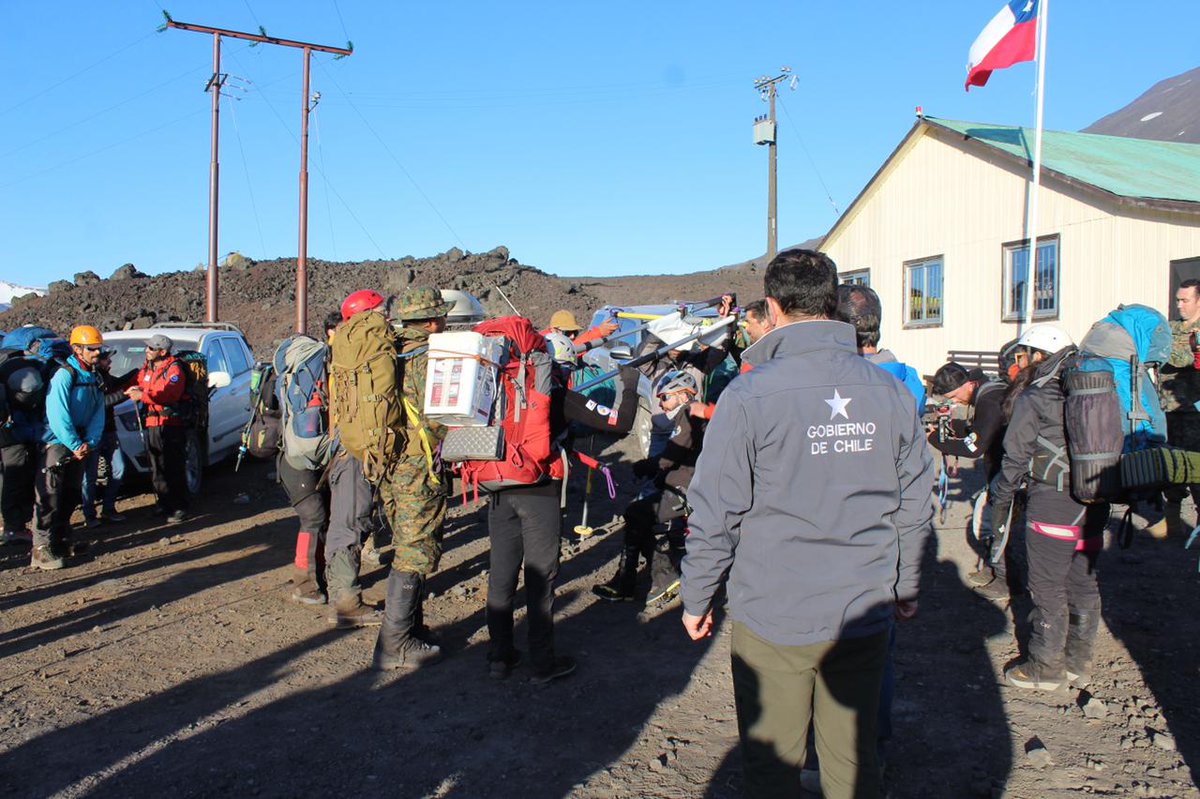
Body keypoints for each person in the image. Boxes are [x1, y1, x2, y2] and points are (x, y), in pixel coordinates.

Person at [680, 249, 935, 799]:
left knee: (773, 766)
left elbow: (715, 509)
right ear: (834, 302)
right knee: (854, 762)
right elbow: (915, 503)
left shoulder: (747, 394)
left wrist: (697, 595)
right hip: (863, 607)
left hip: (774, 611)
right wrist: (907, 585)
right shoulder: (890, 392)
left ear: (772, 307)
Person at [988, 324, 1107, 692]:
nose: (1021, 362)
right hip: (1096, 496)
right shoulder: (1091, 389)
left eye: (1024, 354)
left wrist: (1001, 498)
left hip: (1053, 502)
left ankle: (1045, 665)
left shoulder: (1036, 396)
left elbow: (1015, 457)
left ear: (1038, 355)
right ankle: (1078, 662)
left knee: (1047, 584)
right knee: (1083, 580)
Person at [372, 287, 452, 670]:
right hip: (416, 466)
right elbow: (439, 415)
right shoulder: (428, 356)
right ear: (433, 320)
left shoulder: (388, 352)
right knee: (413, 549)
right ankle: (394, 645)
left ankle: (411, 630)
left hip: (389, 463)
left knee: (408, 541)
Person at [593, 370, 702, 606]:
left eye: (665, 397)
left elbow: (672, 454)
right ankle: (631, 581)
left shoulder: (691, 414)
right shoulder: (686, 415)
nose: (661, 404)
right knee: (637, 516)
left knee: (637, 514)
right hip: (680, 486)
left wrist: (647, 466)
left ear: (683, 395)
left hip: (687, 490)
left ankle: (648, 578)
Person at [927, 362, 1012, 600]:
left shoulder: (989, 399)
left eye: (954, 396)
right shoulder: (986, 390)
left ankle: (1006, 581)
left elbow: (974, 447)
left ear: (967, 384)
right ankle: (996, 570)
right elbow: (981, 429)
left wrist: (936, 440)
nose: (955, 403)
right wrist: (952, 427)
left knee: (1000, 525)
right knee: (993, 521)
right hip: (1001, 469)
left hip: (1008, 473)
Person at [31, 325, 106, 570]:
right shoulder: (65, 375)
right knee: (49, 494)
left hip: (80, 444)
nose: (97, 353)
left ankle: (61, 539)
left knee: (71, 492)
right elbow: (57, 414)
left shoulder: (93, 376)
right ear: (77, 349)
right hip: (58, 443)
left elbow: (98, 411)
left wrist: (90, 442)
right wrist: (74, 444)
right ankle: (41, 548)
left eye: (98, 348)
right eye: (92, 349)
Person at [125, 333, 192, 524]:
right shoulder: (147, 368)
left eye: (152, 348)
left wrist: (142, 396)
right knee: (156, 465)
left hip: (172, 425)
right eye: (147, 347)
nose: (147, 350)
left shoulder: (174, 370)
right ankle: (163, 503)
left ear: (162, 351)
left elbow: (169, 394)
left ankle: (179, 507)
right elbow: (135, 384)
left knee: (174, 466)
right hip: (152, 424)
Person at [1155, 278, 1200, 538]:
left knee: (1196, 469)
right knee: (1171, 467)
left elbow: (1183, 358)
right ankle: (1170, 523)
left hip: (1194, 413)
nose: (1179, 305)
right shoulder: (1169, 328)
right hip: (1168, 411)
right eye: (1177, 300)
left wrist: (1161, 349)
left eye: (1185, 300)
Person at [80, 348, 135, 526]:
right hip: (94, 433)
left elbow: (117, 384)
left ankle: (108, 509)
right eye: (106, 360)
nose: (109, 363)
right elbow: (101, 403)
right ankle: (89, 514)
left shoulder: (105, 376)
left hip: (109, 431)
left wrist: (136, 374)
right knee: (90, 476)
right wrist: (124, 395)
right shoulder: (91, 378)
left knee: (118, 469)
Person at [545, 309, 618, 349]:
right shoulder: (545, 348)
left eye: (575, 332)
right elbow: (572, 350)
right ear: (554, 330)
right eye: (567, 333)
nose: (573, 336)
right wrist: (599, 332)